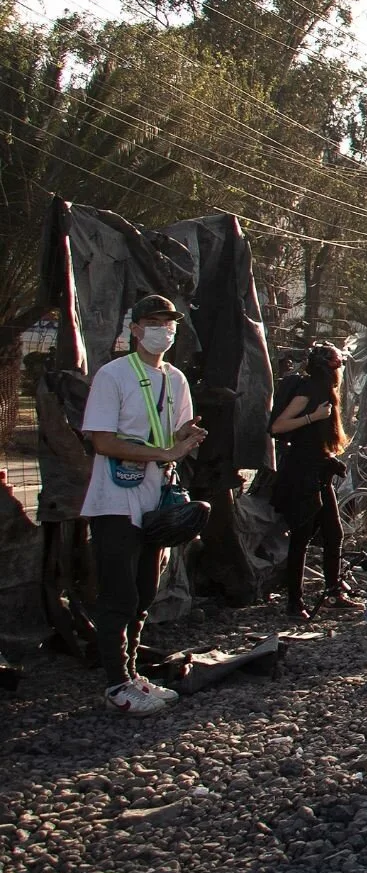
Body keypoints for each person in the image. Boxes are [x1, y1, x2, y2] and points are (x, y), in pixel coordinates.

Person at [79, 294, 205, 715]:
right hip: (115, 499)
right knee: (118, 594)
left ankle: (132, 675)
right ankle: (115, 684)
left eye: (169, 323)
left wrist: (186, 439)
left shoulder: (176, 379)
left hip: (155, 501)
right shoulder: (113, 375)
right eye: (153, 322)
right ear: (135, 329)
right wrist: (164, 453)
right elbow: (101, 440)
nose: (163, 330)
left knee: (144, 594)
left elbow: (175, 438)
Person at [271, 343, 349, 620]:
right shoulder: (310, 390)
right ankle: (295, 602)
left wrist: (329, 458)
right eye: (337, 365)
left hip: (319, 470)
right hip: (302, 473)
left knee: (334, 534)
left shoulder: (326, 391)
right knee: (301, 537)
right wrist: (312, 417)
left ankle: (333, 592)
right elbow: (278, 426)